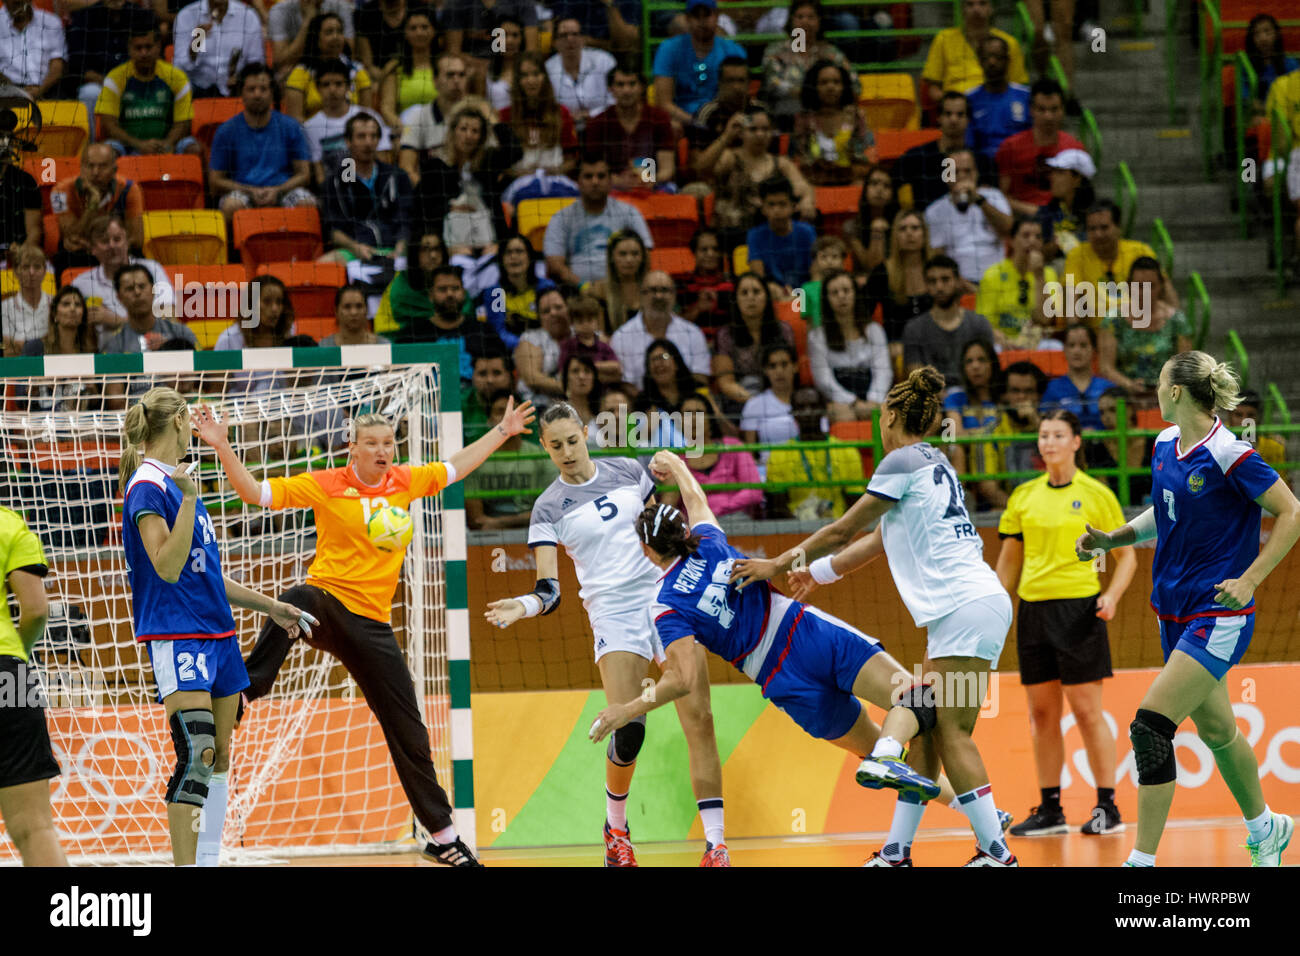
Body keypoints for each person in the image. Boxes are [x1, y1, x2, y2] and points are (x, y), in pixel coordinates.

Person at [198, 396, 541, 867]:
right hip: (327, 604)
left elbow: (455, 467)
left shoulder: (403, 481)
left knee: (410, 731)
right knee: (295, 600)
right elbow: (254, 494)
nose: (383, 451)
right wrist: (222, 446)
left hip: (373, 626)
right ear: (352, 449)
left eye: (389, 443)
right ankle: (245, 690)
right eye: (372, 444)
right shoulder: (326, 485)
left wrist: (502, 431)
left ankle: (442, 836)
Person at [730, 366, 1019, 867]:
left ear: (889, 416)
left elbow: (843, 529)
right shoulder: (934, 462)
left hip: (964, 610)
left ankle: (996, 852)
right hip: (971, 609)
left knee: (953, 731)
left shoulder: (899, 460)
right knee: (929, 727)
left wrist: (776, 564)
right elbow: (879, 541)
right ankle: (896, 852)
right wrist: (816, 574)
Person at [1078, 353, 1300, 867]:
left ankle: (1140, 861)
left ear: (1177, 391)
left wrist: (1251, 580)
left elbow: (1290, 512)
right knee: (1219, 732)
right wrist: (1116, 538)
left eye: (1158, 384)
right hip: (1172, 612)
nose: (1153, 393)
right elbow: (1166, 510)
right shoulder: (1163, 445)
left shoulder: (1229, 453)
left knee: (1150, 726)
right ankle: (1267, 828)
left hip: (1217, 613)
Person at [486, 404, 730, 867]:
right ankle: (616, 830)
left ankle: (716, 844)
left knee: (699, 716)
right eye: (555, 446)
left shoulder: (627, 470)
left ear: (584, 433)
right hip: (613, 615)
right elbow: (549, 590)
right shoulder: (546, 509)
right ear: (544, 446)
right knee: (629, 729)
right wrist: (523, 605)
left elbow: (662, 533)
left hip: (665, 597)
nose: (566, 452)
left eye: (572, 441)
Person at [119, 387, 316, 866]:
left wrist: (270, 605)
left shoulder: (181, 484)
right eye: (191, 422)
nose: (196, 432)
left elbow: (203, 573)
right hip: (177, 634)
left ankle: (208, 860)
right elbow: (166, 566)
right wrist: (187, 500)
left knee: (220, 757)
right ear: (180, 423)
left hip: (219, 635)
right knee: (198, 753)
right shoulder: (149, 486)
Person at [995, 409, 1136, 837]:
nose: (1049, 442)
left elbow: (1127, 554)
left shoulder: (1097, 494)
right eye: (1043, 435)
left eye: (1058, 435)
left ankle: (1107, 807)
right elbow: (1008, 563)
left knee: (1087, 712)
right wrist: (994, 609)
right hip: (1033, 610)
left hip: (1079, 609)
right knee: (1040, 714)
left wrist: (1110, 595)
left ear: (1076, 442)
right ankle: (1051, 809)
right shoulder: (1023, 496)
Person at [0, 501, 67, 867]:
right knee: (35, 828)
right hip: (7, 673)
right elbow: (37, 610)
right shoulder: (8, 523)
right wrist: (16, 659)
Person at [209, 64, 318, 227]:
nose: (257, 94)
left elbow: (304, 174)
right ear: (242, 94)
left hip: (283, 189)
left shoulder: (290, 126)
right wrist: (250, 191)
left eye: (263, 89)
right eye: (251, 89)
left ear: (272, 93)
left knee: (306, 204)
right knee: (231, 206)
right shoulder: (226, 131)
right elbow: (215, 182)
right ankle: (236, 252)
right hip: (243, 191)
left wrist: (278, 190)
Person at [708, 105, 817, 251]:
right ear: (741, 132)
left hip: (773, 231)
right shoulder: (730, 157)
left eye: (765, 129)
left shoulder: (781, 163)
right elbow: (702, 170)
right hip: (736, 232)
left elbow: (803, 187)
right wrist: (727, 136)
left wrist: (807, 200)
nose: (760, 135)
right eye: (753, 129)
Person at [414, 105, 519, 255]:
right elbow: (421, 208)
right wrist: (451, 208)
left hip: (488, 241)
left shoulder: (487, 164)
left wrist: (493, 120)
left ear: (481, 137)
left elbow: (515, 151)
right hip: (450, 243)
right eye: (463, 129)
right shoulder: (435, 167)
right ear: (453, 132)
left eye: (475, 131)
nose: (468, 135)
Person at [543, 155, 654, 287]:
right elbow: (555, 264)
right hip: (576, 292)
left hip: (622, 289)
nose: (595, 182)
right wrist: (584, 287)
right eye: (588, 176)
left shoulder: (629, 212)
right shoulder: (561, 217)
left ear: (610, 181)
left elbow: (646, 255)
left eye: (601, 176)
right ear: (578, 182)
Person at [318, 113, 413, 266]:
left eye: (373, 136)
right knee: (324, 264)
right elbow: (334, 230)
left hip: (394, 249)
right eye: (361, 136)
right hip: (356, 249)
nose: (368, 142)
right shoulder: (335, 181)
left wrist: (400, 249)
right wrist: (355, 248)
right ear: (348, 141)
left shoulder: (397, 176)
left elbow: (406, 220)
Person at [1061, 202, 1170, 329]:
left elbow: (1165, 290)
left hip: (1141, 331)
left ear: (1118, 228)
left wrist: (1176, 323)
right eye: (1092, 229)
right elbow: (1071, 308)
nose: (1098, 234)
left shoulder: (1140, 251)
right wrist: (1076, 332)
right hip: (1098, 336)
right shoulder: (1077, 255)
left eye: (1104, 228)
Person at [1097, 256, 1192, 401]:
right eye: (1139, 286)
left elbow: (1185, 368)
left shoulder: (1177, 321)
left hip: (1169, 398)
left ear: (1161, 286)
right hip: (1123, 398)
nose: (1144, 292)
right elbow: (1106, 368)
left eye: (1151, 286)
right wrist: (1129, 385)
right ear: (1128, 286)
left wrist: (1164, 387)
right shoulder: (1112, 320)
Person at [766, 385, 866, 520]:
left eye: (813, 406)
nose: (807, 412)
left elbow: (855, 504)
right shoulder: (779, 455)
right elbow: (777, 508)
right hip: (796, 529)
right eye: (801, 408)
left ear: (823, 410)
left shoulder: (847, 451)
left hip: (839, 527)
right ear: (793, 412)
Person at [70, 215, 174, 341]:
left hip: (153, 350)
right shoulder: (81, 284)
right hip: (106, 356)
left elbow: (169, 318)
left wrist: (116, 320)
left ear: (127, 241)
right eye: (104, 241)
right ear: (92, 249)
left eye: (117, 239)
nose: (112, 245)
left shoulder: (152, 269)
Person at [465, 388, 556, 530]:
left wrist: (500, 523)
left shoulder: (540, 456)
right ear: (489, 421)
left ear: (524, 419)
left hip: (535, 532)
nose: (508, 417)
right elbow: (476, 520)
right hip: (487, 538)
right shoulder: (476, 459)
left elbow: (550, 512)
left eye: (515, 411)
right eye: (500, 411)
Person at [807, 269, 892, 422]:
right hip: (839, 399)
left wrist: (873, 401)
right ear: (827, 299)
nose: (841, 296)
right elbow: (823, 379)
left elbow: (883, 371)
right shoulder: (817, 336)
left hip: (874, 395)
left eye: (846, 290)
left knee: (891, 414)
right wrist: (852, 402)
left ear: (855, 294)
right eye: (834, 293)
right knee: (843, 415)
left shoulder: (874, 330)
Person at [759, 0, 858, 131]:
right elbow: (773, 84)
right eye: (800, 17)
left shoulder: (832, 53)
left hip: (827, 120)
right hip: (785, 118)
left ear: (819, 21)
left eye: (811, 17)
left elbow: (855, 85)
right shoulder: (776, 52)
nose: (805, 22)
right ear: (791, 21)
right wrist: (813, 92)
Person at [995, 79, 1086, 218]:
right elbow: (1001, 196)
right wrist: (1034, 212)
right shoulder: (1010, 147)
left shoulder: (1075, 148)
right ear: (1031, 110)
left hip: (1065, 221)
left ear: (1063, 110)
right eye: (1042, 109)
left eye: (1054, 109)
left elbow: (1082, 194)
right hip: (1023, 222)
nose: (1048, 116)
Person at [892, 91, 996, 212]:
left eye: (960, 114)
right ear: (939, 118)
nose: (953, 119)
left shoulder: (983, 162)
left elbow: (994, 199)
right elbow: (891, 187)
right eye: (948, 114)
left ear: (968, 119)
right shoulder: (916, 157)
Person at [902, 254, 994, 388]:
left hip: (973, 397)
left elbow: (989, 369)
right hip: (933, 399)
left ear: (957, 281)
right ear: (926, 285)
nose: (939, 287)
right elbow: (915, 375)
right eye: (932, 281)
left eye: (945, 279)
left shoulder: (979, 323)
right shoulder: (914, 328)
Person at [580, 63, 674, 194]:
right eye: (620, 85)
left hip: (653, 186)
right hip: (612, 188)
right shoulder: (598, 123)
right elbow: (592, 169)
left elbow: (667, 168)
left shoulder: (659, 118)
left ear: (642, 87)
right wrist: (618, 181)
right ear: (610, 89)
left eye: (632, 84)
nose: (626, 90)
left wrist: (651, 180)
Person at [651, 0, 746, 130]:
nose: (702, 21)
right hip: (683, 122)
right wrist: (696, 123)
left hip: (722, 121)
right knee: (673, 127)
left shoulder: (734, 51)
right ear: (687, 19)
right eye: (696, 16)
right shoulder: (668, 49)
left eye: (706, 15)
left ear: (717, 16)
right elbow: (663, 103)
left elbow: (740, 95)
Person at [924, 148, 1013, 284]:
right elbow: (937, 257)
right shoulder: (934, 211)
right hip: (958, 285)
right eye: (955, 172)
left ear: (976, 173)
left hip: (997, 280)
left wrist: (979, 201)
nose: (961, 176)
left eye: (967, 171)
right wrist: (962, 285)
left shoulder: (993, 196)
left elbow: (1008, 228)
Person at [610, 271, 710, 388]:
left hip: (684, 403)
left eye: (664, 290)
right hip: (639, 403)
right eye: (652, 290)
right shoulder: (621, 337)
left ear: (674, 295)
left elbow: (701, 378)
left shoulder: (693, 333)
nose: (659, 296)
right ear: (641, 296)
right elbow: (624, 385)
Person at [66, 0, 154, 129]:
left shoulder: (141, 15)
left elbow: (152, 55)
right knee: (89, 93)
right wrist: (111, 84)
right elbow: (78, 67)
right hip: (100, 83)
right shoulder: (84, 17)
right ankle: (90, 144)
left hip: (137, 80)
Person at [52, 143, 145, 265]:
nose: (95, 172)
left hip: (116, 252)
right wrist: (93, 204)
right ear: (81, 168)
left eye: (102, 166)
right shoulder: (58, 192)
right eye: (90, 166)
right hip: (78, 254)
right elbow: (71, 235)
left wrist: (102, 247)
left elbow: (137, 240)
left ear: (114, 170)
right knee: (63, 257)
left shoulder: (131, 189)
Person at [304, 58, 394, 184]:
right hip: (335, 192)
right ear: (317, 88)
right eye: (326, 84)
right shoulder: (310, 127)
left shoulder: (370, 117)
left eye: (338, 84)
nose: (332, 90)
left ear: (348, 86)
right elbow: (319, 175)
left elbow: (383, 162)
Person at [712, 271, 794, 406]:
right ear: (736, 299)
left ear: (766, 297)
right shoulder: (725, 334)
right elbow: (726, 383)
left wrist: (776, 403)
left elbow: (791, 373)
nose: (751, 298)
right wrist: (756, 404)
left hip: (781, 395)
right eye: (744, 293)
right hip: (742, 401)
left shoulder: (784, 330)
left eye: (756, 292)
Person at [789, 60, 875, 187]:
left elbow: (867, 156)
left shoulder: (856, 116)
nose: (831, 87)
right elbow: (798, 159)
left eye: (836, 82)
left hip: (852, 180)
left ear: (844, 86)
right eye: (824, 82)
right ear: (814, 86)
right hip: (812, 183)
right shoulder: (803, 119)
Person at [977, 216, 1058, 349]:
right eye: (1026, 236)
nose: (1032, 241)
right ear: (1012, 241)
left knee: (1054, 347)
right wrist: (1003, 340)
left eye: (1038, 237)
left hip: (1035, 342)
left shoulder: (1048, 274)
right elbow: (984, 323)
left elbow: (1044, 320)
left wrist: (1039, 276)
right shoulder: (992, 274)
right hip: (1002, 342)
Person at [921, 0, 1027, 103]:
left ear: (991, 8)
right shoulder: (943, 39)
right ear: (963, 9)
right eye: (970, 4)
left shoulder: (1009, 43)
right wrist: (954, 106)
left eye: (983, 3)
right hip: (958, 112)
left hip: (996, 106)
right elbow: (933, 88)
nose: (976, 9)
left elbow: (1017, 86)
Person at [944, 337, 1005, 509]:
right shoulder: (953, 399)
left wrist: (973, 434)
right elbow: (953, 434)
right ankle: (959, 502)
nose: (975, 366)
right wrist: (984, 433)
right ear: (963, 368)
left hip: (999, 458)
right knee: (956, 448)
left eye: (981, 360)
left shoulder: (1003, 399)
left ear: (992, 364)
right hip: (965, 458)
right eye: (969, 362)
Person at [677, 392, 761, 517]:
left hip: (735, 517)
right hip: (696, 525)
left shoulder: (734, 447)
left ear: (710, 419)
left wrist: (720, 509)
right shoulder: (676, 460)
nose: (693, 418)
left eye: (699, 413)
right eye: (687, 413)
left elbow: (754, 491)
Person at [283, 12, 373, 122]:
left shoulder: (358, 70)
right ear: (316, 38)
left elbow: (366, 116)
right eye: (329, 32)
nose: (336, 37)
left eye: (339, 31)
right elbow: (295, 120)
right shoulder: (300, 73)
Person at [864, 209, 934, 349]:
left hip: (935, 345)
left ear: (925, 234)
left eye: (915, 228)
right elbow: (862, 314)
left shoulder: (938, 269)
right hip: (895, 349)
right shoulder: (882, 272)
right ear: (895, 236)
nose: (909, 233)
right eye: (903, 229)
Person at [172, 0, 265, 99]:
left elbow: (257, 63)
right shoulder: (186, 15)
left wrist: (240, 79)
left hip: (238, 90)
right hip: (197, 90)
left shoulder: (248, 15)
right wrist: (197, 42)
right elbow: (179, 68)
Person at [965, 35, 1031, 164]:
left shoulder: (1026, 96)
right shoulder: (969, 98)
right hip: (983, 166)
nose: (992, 62)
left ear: (1008, 60)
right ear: (979, 61)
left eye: (998, 57)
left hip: (1019, 163)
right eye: (986, 57)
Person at [746, 176, 817, 293]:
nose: (776, 210)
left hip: (804, 294)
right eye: (771, 205)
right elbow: (758, 278)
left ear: (793, 207)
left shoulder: (807, 232)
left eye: (782, 204)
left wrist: (805, 294)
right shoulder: (754, 235)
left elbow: (816, 274)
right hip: (772, 295)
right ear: (763, 208)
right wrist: (774, 290)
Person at [544, 17, 616, 132]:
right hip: (563, 130)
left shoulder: (604, 61)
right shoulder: (547, 69)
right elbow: (547, 108)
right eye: (563, 35)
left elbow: (615, 101)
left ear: (583, 39)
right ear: (555, 42)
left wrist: (592, 114)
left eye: (575, 34)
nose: (570, 39)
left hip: (603, 128)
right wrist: (568, 117)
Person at [739, 343, 800, 477]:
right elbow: (750, 452)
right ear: (766, 371)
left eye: (784, 364)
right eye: (772, 366)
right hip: (768, 472)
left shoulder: (809, 401)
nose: (779, 371)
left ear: (795, 367)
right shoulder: (754, 405)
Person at [1085, 385, 1151, 503]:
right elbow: (1102, 495)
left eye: (1112, 410)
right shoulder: (1097, 449)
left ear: (1130, 409)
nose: (1106, 417)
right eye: (1102, 412)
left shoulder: (1153, 442)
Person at [1043, 324, 1114, 429]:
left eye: (1083, 345)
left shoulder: (1108, 387)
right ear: (1064, 350)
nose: (1077, 351)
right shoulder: (1053, 388)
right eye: (1071, 345)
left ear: (1094, 350)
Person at [379, 8, 438, 132]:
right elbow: (386, 109)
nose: (419, 33)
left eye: (424, 27)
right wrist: (405, 131)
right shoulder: (394, 68)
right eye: (413, 28)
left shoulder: (445, 65)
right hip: (405, 130)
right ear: (405, 33)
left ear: (433, 31)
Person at [514, 284, 571, 405]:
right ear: (539, 317)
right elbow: (533, 379)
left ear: (568, 308)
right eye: (546, 311)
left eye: (558, 307)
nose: (553, 313)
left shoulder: (582, 334)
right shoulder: (530, 338)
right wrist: (572, 388)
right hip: (537, 407)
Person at [1035, 148, 1096, 262]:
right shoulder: (1046, 213)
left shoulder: (1097, 214)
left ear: (1077, 179)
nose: (1052, 177)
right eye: (1053, 172)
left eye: (1060, 172)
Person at [0, 0, 66, 103]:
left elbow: (57, 66)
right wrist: (17, 91)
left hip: (48, 88)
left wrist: (39, 90)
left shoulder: (51, 21)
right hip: (6, 89)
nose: (18, 5)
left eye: (21, 2)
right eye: (15, 3)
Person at [269, 0, 356, 74]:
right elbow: (280, 60)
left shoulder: (341, 6)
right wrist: (308, 21)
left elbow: (349, 52)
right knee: (285, 71)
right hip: (299, 65)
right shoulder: (280, 11)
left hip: (334, 63)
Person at [586, 228, 647, 334]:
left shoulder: (652, 288)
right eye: (622, 254)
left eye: (635, 254)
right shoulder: (598, 291)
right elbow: (598, 336)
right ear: (612, 257)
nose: (629, 259)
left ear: (642, 257)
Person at [844, 164, 900, 274]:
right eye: (874, 183)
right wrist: (877, 231)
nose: (879, 189)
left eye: (886, 186)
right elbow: (872, 267)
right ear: (865, 189)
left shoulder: (900, 223)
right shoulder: (851, 227)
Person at [679, 226, 734, 333]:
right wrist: (698, 308)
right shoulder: (683, 287)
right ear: (694, 253)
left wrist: (720, 302)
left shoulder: (733, 285)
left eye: (715, 249)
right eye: (704, 250)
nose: (710, 254)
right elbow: (673, 327)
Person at [557, 293, 621, 383]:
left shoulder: (603, 346)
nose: (586, 325)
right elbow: (562, 372)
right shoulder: (568, 346)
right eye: (580, 321)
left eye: (590, 320)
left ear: (597, 321)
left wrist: (592, 366)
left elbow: (616, 366)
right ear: (572, 323)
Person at [1227, 390, 1288, 482]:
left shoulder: (1274, 447)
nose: (1244, 421)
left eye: (1250, 415)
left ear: (1258, 417)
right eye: (1238, 415)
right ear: (1229, 416)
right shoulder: (1218, 442)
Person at [1, 244, 50, 356]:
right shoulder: (4, 307)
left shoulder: (54, 304)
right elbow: (6, 349)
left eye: (37, 267)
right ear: (16, 271)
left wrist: (19, 345)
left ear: (45, 271)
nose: (31, 272)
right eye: (25, 267)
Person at [545, 0, 640, 56]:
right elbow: (555, 42)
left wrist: (610, 4)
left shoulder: (628, 2)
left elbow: (626, 45)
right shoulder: (565, 2)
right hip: (569, 62)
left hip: (615, 64)